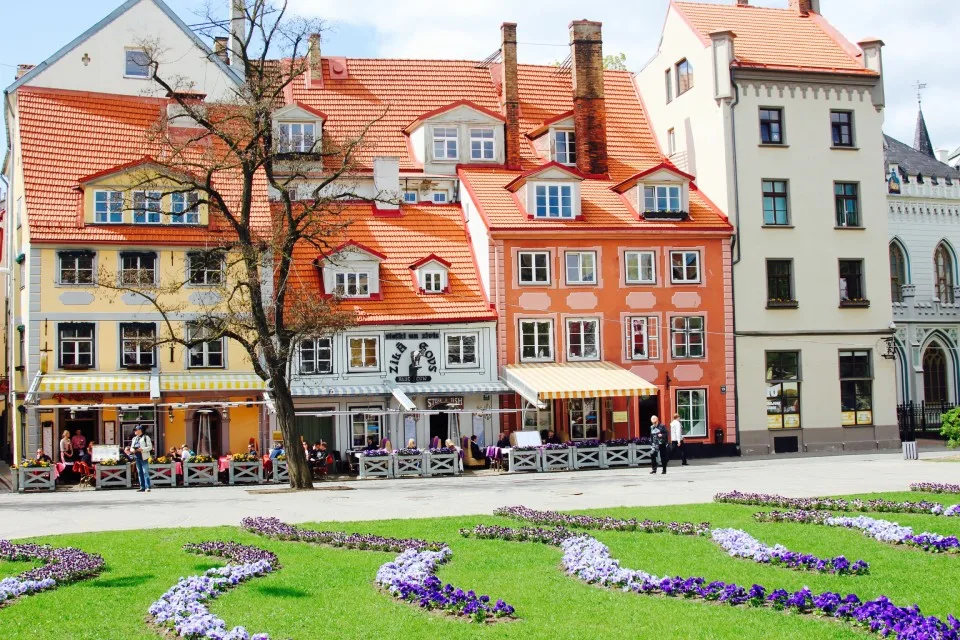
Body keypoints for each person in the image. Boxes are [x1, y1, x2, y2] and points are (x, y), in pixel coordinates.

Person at [131, 425, 153, 492]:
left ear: (140, 430)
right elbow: (131, 447)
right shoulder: (134, 438)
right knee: (140, 472)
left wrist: (142, 449)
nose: (135, 431)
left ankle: (148, 487)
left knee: (145, 472)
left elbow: (150, 447)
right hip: (137, 457)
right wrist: (133, 450)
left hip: (144, 457)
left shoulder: (146, 437)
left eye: (136, 430)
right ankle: (142, 487)